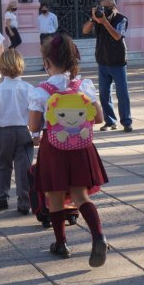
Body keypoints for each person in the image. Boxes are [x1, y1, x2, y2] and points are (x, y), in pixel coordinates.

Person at [28, 34, 109, 267]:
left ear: (46, 62)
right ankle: (98, 236)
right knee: (80, 195)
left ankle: (61, 243)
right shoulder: (83, 86)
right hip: (81, 147)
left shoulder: (41, 91)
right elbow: (100, 118)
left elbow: (34, 126)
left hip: (53, 148)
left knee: (53, 194)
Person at [0, 49, 34, 214]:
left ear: (0, 67)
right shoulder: (28, 88)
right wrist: (36, 134)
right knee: (24, 167)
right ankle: (24, 202)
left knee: (2, 165)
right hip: (23, 131)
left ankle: (1, 197)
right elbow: (35, 111)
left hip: (4, 132)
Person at [82, 0, 133, 132]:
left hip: (118, 61)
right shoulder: (98, 20)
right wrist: (94, 19)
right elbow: (85, 30)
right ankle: (110, 121)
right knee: (104, 94)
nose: (105, 10)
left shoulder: (122, 19)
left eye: (108, 7)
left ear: (114, 6)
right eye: (102, 7)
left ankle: (127, 122)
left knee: (122, 93)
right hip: (103, 60)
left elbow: (117, 36)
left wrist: (104, 22)